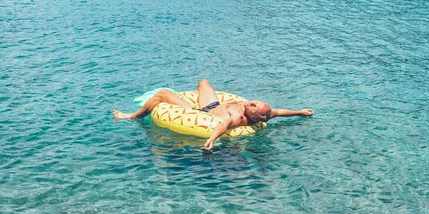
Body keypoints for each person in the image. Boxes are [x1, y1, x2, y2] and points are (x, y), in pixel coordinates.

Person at [113, 79, 313, 150]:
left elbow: (223, 125)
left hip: (201, 113)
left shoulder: (238, 118)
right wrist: (300, 112)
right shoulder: (265, 112)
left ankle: (131, 116)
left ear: (253, 116)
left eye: (253, 105)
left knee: (162, 94)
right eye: (255, 102)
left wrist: (211, 140)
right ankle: (187, 98)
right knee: (204, 82)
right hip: (215, 104)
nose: (251, 102)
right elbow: (280, 112)